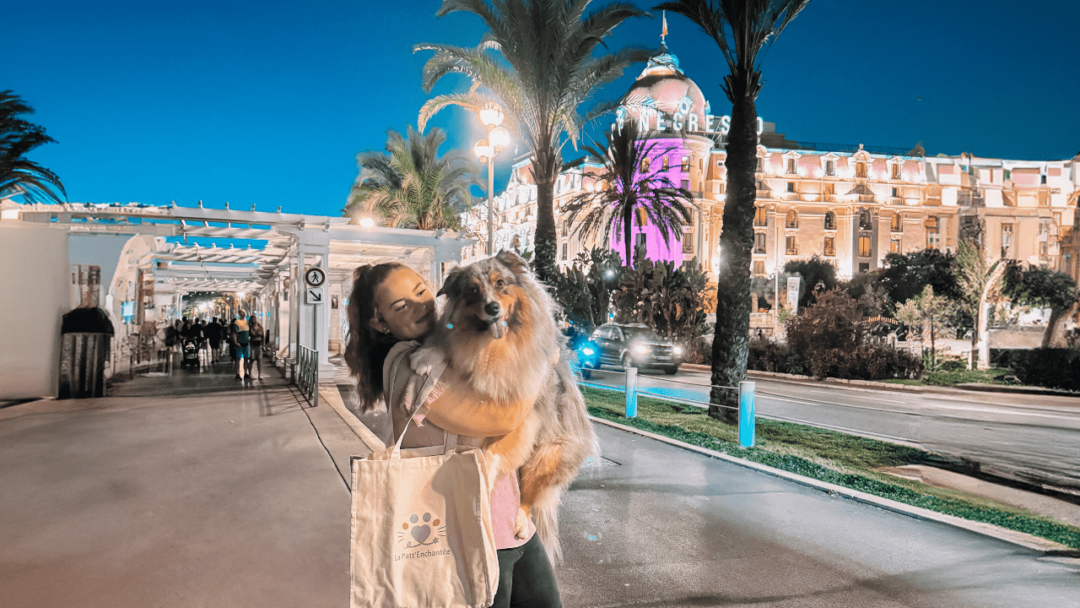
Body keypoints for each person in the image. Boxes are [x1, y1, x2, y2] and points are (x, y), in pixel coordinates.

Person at [345, 262, 562, 608]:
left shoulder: (452, 339)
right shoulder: (404, 363)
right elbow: (500, 416)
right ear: (379, 322)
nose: (421, 306)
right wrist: (540, 366)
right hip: (469, 528)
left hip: (508, 518)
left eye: (421, 292)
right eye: (402, 306)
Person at [230, 310, 251, 380]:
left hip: (246, 343)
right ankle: (237, 373)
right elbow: (234, 333)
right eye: (242, 312)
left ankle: (246, 373)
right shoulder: (237, 322)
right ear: (239, 313)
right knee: (238, 359)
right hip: (239, 343)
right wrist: (235, 342)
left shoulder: (247, 321)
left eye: (244, 312)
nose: (243, 313)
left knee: (246, 359)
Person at [247, 314, 264, 380]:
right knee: (251, 359)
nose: (253, 320)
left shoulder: (260, 327)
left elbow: (263, 336)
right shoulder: (249, 327)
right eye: (252, 319)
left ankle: (260, 374)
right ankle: (250, 373)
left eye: (254, 319)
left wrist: (264, 345)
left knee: (259, 360)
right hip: (252, 344)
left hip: (259, 344)